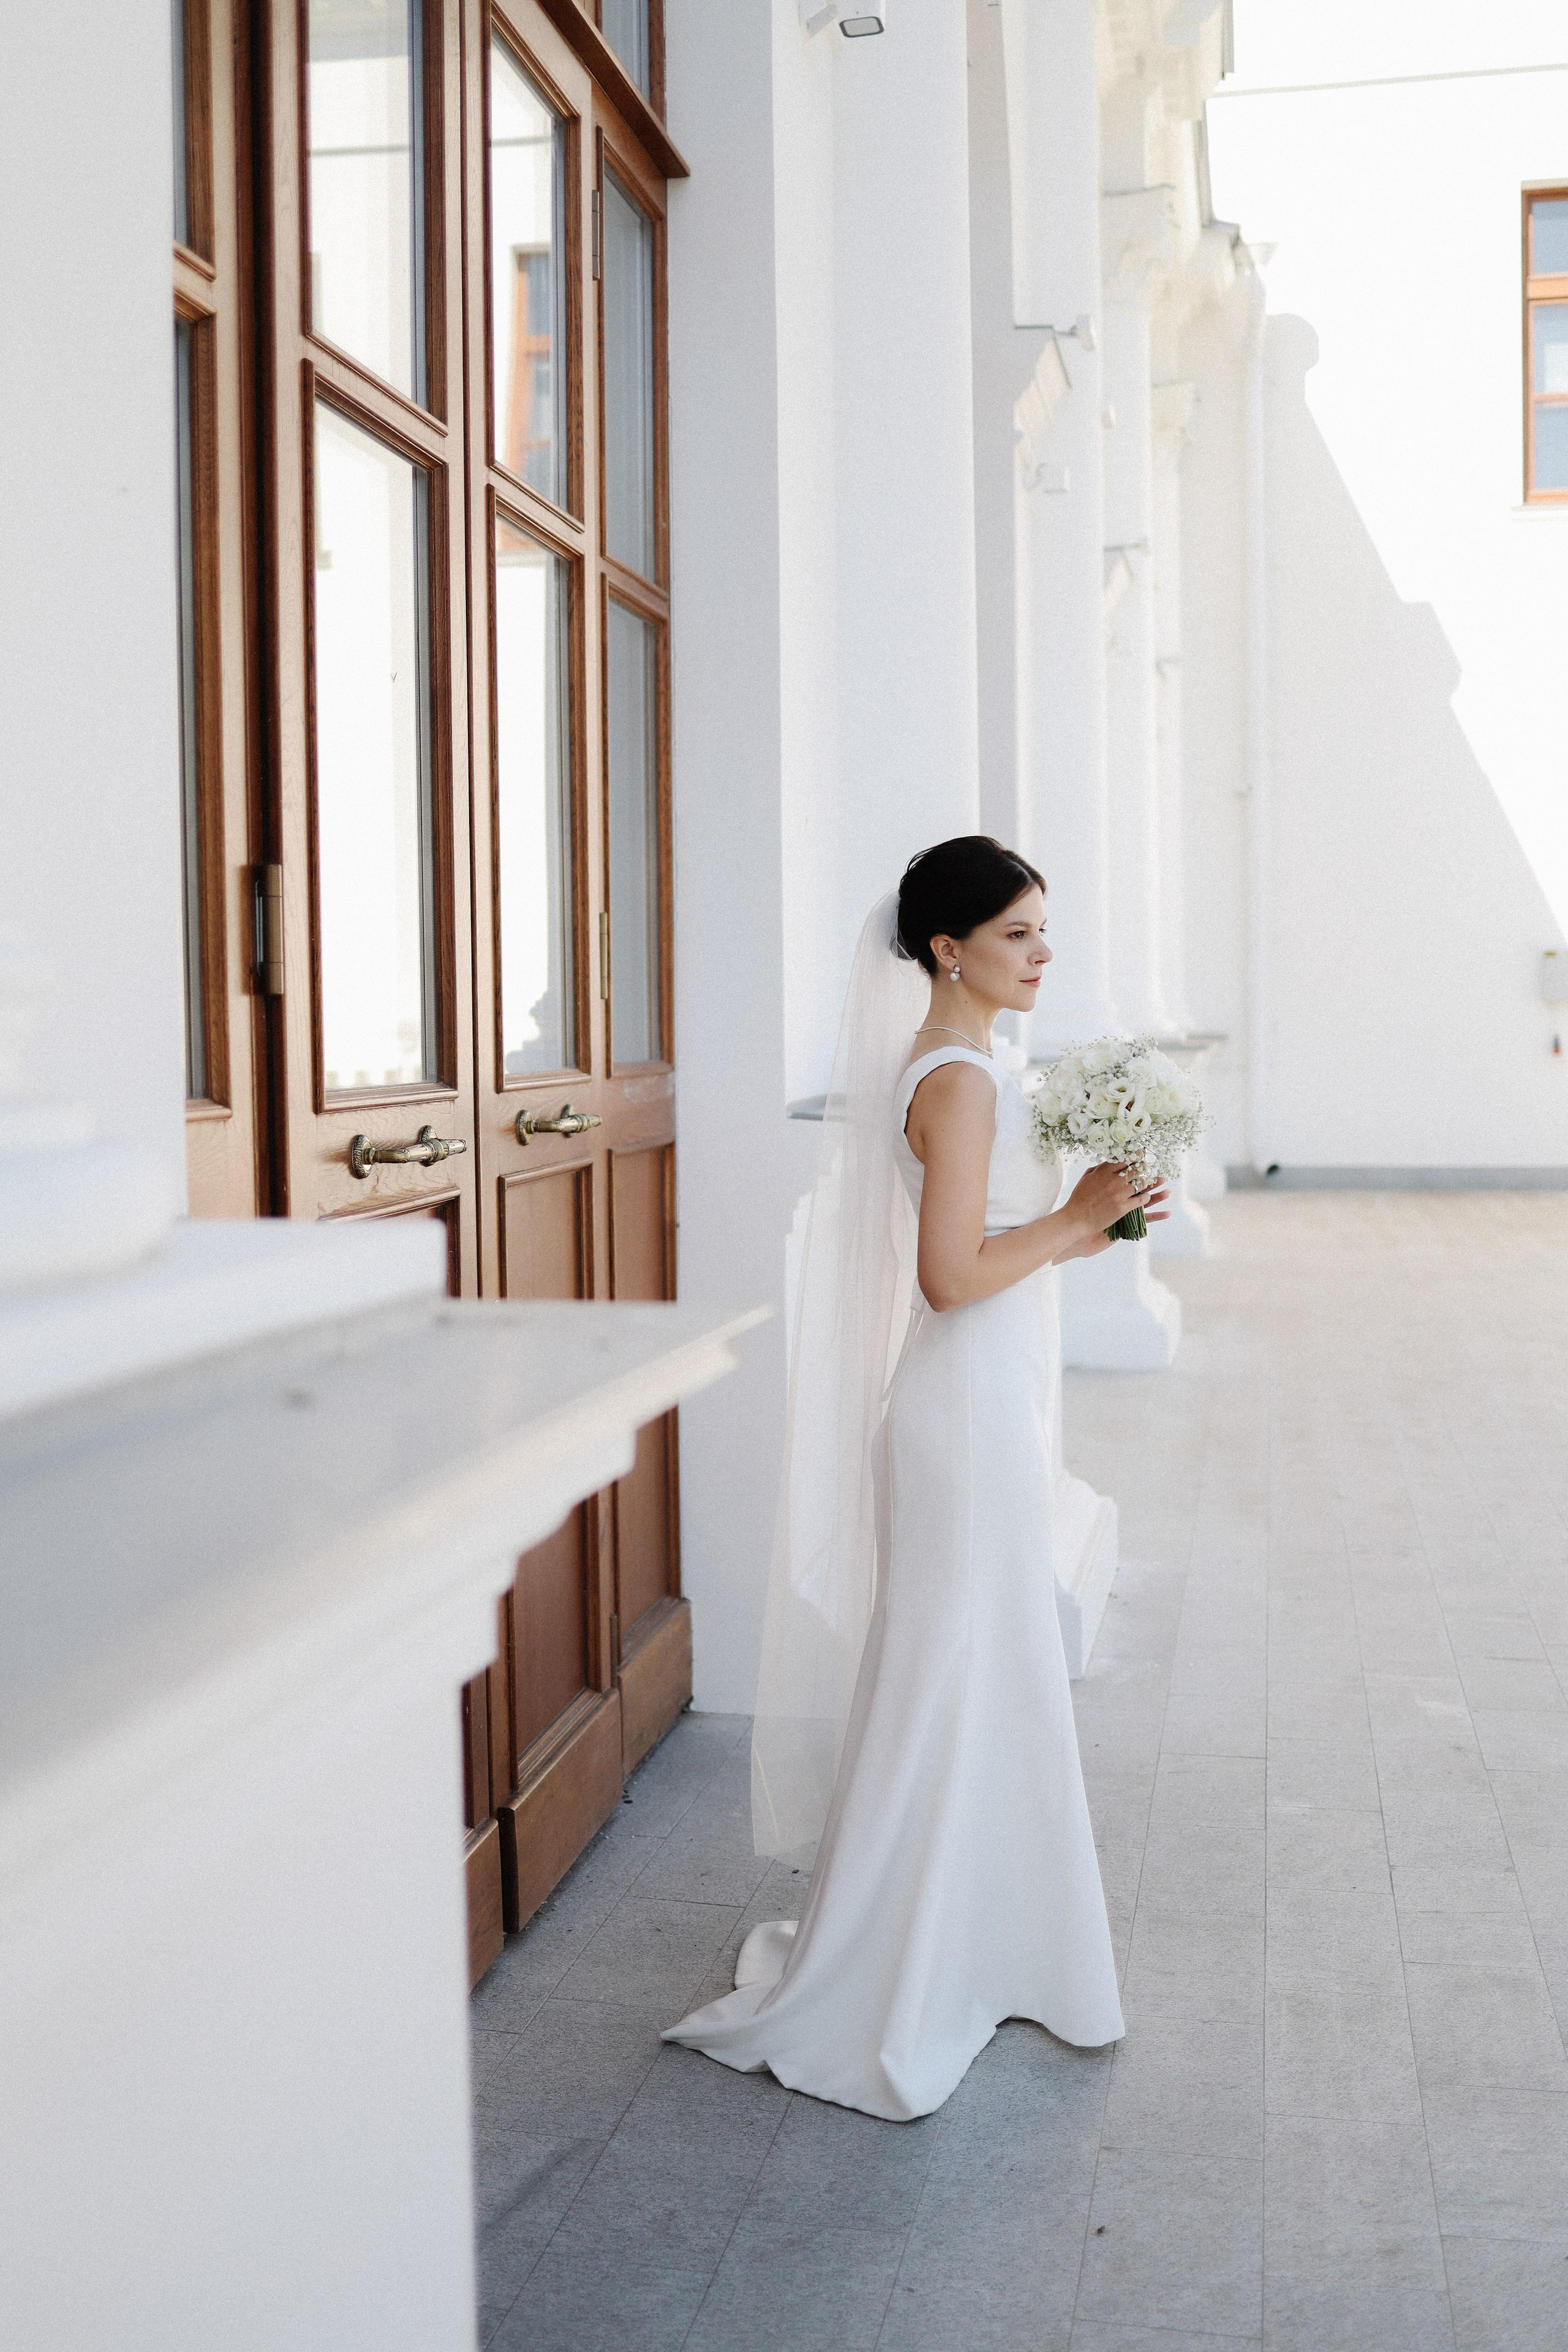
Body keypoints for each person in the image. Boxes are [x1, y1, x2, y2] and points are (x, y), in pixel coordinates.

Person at [663, 837, 1168, 2120]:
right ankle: (908, 1960)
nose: (1042, 952)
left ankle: (975, 1938)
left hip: (983, 1403)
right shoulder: (958, 1080)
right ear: (948, 948)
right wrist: (1074, 1218)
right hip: (963, 1412)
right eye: (1016, 933)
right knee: (949, 1667)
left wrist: (1090, 1222)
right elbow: (950, 1279)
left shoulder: (967, 1065)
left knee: (977, 1667)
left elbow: (988, 1250)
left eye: (1043, 928)